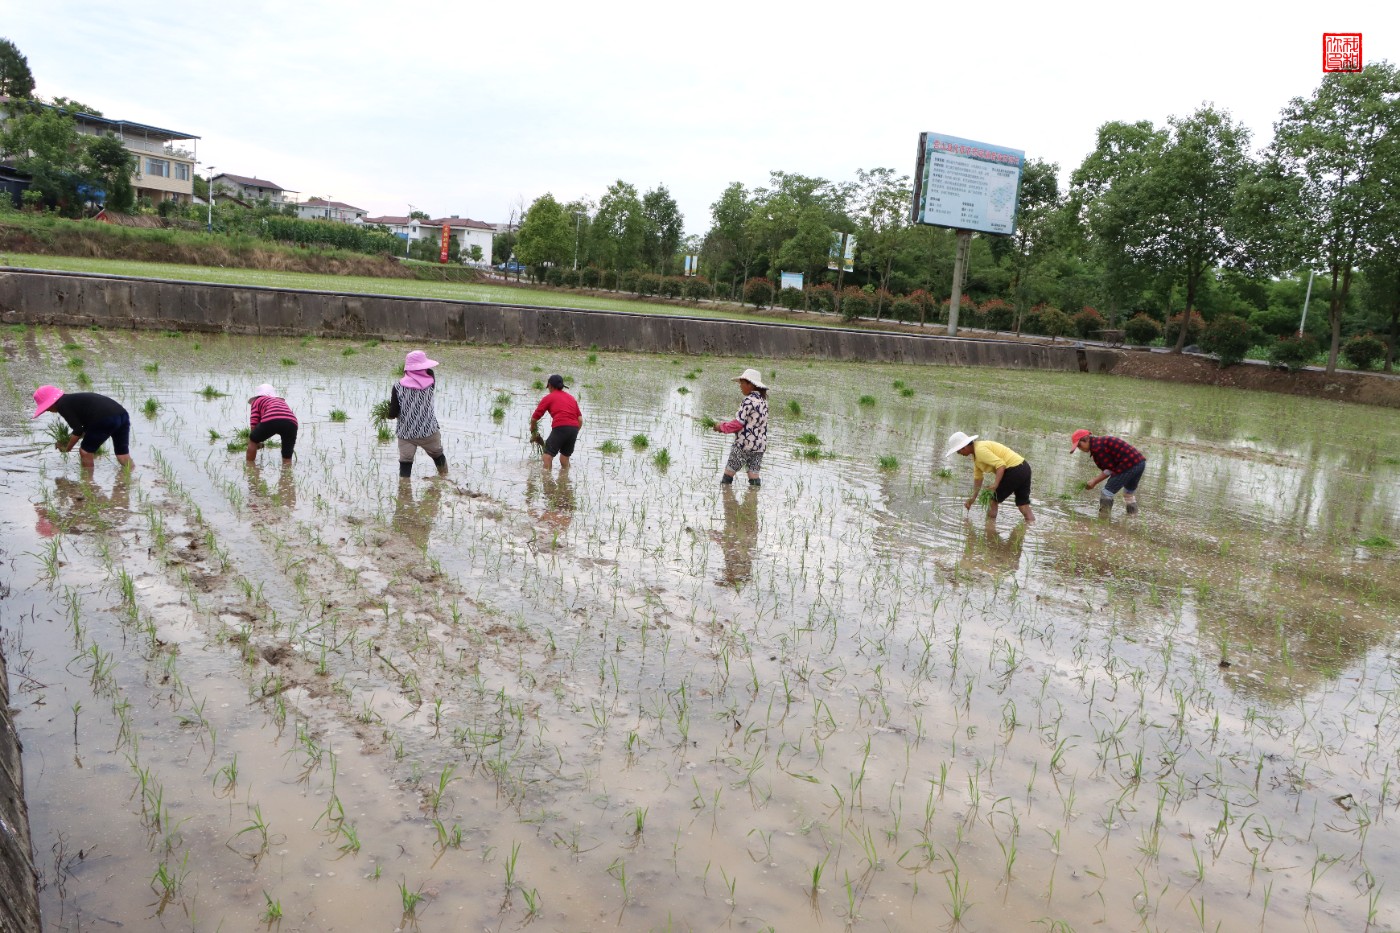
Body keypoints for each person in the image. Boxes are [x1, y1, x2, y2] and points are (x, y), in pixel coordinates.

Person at [33, 385, 134, 473]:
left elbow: (78, 430)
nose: (47, 410)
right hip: (122, 415)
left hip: (104, 418)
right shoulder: (74, 401)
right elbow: (85, 429)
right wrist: (67, 440)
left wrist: (67, 448)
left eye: (46, 408)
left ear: (51, 403)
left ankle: (88, 482)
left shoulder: (62, 405)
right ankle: (132, 476)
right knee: (122, 454)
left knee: (85, 452)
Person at [945, 430, 1035, 525]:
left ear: (965, 446)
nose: (959, 453)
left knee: (992, 500)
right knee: (1023, 504)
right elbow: (978, 478)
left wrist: (995, 485)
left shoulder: (980, 451)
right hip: (1024, 467)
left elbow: (1001, 465)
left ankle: (989, 529)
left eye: (958, 451)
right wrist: (973, 499)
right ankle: (1031, 526)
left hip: (1014, 469)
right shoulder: (976, 455)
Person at [393, 350, 448, 478]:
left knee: (405, 462)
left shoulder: (397, 387)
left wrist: (390, 415)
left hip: (406, 434)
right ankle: (444, 477)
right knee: (438, 455)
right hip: (428, 431)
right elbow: (430, 373)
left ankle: (405, 488)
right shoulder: (431, 382)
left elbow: (393, 412)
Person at [712, 368, 769, 486]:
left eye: (742, 383)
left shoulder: (748, 401)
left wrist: (721, 427)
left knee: (728, 476)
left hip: (744, 445)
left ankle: (726, 496)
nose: (740, 386)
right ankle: (753, 496)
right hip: (759, 446)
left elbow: (738, 424)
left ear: (750, 385)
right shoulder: (764, 402)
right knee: (754, 476)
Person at [1071, 429, 1146, 514]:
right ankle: (1133, 517)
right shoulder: (1100, 442)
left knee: (1106, 492)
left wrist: (1094, 481)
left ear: (1087, 439)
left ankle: (1104, 518)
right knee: (1128, 494)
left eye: (1079, 445)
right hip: (1140, 463)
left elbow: (1109, 469)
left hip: (1128, 464)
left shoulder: (1097, 448)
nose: (1080, 448)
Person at [529, 374, 582, 470]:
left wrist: (533, 428)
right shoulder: (571, 398)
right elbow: (580, 419)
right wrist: (572, 432)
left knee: (547, 456)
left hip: (561, 426)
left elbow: (534, 418)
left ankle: (547, 478)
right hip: (574, 428)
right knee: (564, 458)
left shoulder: (549, 397)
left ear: (550, 386)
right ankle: (565, 478)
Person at [247, 383, 297, 464]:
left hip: (272, 418)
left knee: (252, 440)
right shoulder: (280, 401)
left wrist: (255, 439)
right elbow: (284, 415)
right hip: (292, 423)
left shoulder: (257, 401)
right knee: (287, 453)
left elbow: (254, 421)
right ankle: (287, 470)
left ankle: (249, 466)